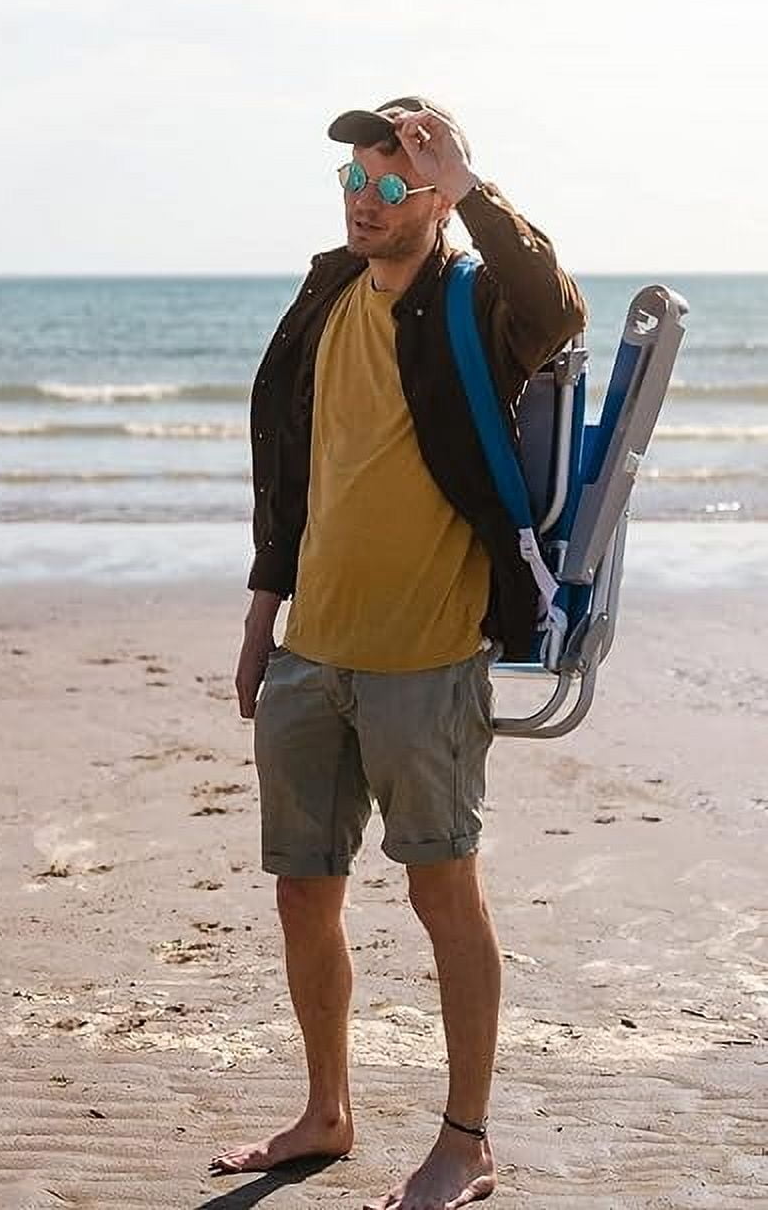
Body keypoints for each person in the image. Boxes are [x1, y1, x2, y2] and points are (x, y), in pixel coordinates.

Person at [213, 99, 587, 1210]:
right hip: (308, 648)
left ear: (434, 195)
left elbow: (556, 309)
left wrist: (472, 181)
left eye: (393, 183)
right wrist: (259, 612)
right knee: (300, 889)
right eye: (355, 182)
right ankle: (325, 1109)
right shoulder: (325, 292)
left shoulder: (471, 303)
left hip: (423, 654)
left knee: (441, 889)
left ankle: (464, 1138)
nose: (365, 201)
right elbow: (289, 465)